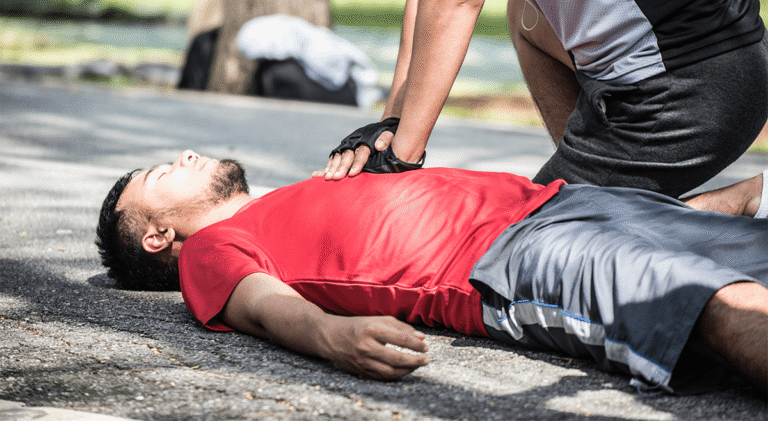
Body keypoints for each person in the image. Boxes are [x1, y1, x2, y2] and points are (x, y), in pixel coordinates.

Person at [97, 150, 768, 394]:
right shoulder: (214, 250)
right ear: (159, 236)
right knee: (715, 303)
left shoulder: (293, 195)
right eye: (164, 174)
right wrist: (329, 336)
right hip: (511, 262)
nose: (183, 155)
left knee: (750, 211)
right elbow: (259, 303)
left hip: (563, 202)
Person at [317, 0, 768, 215]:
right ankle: (588, 184)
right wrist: (391, 126)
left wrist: (401, 160)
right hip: (718, 66)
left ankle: (736, 203)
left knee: (519, 248)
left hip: (690, 92)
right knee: (524, 10)